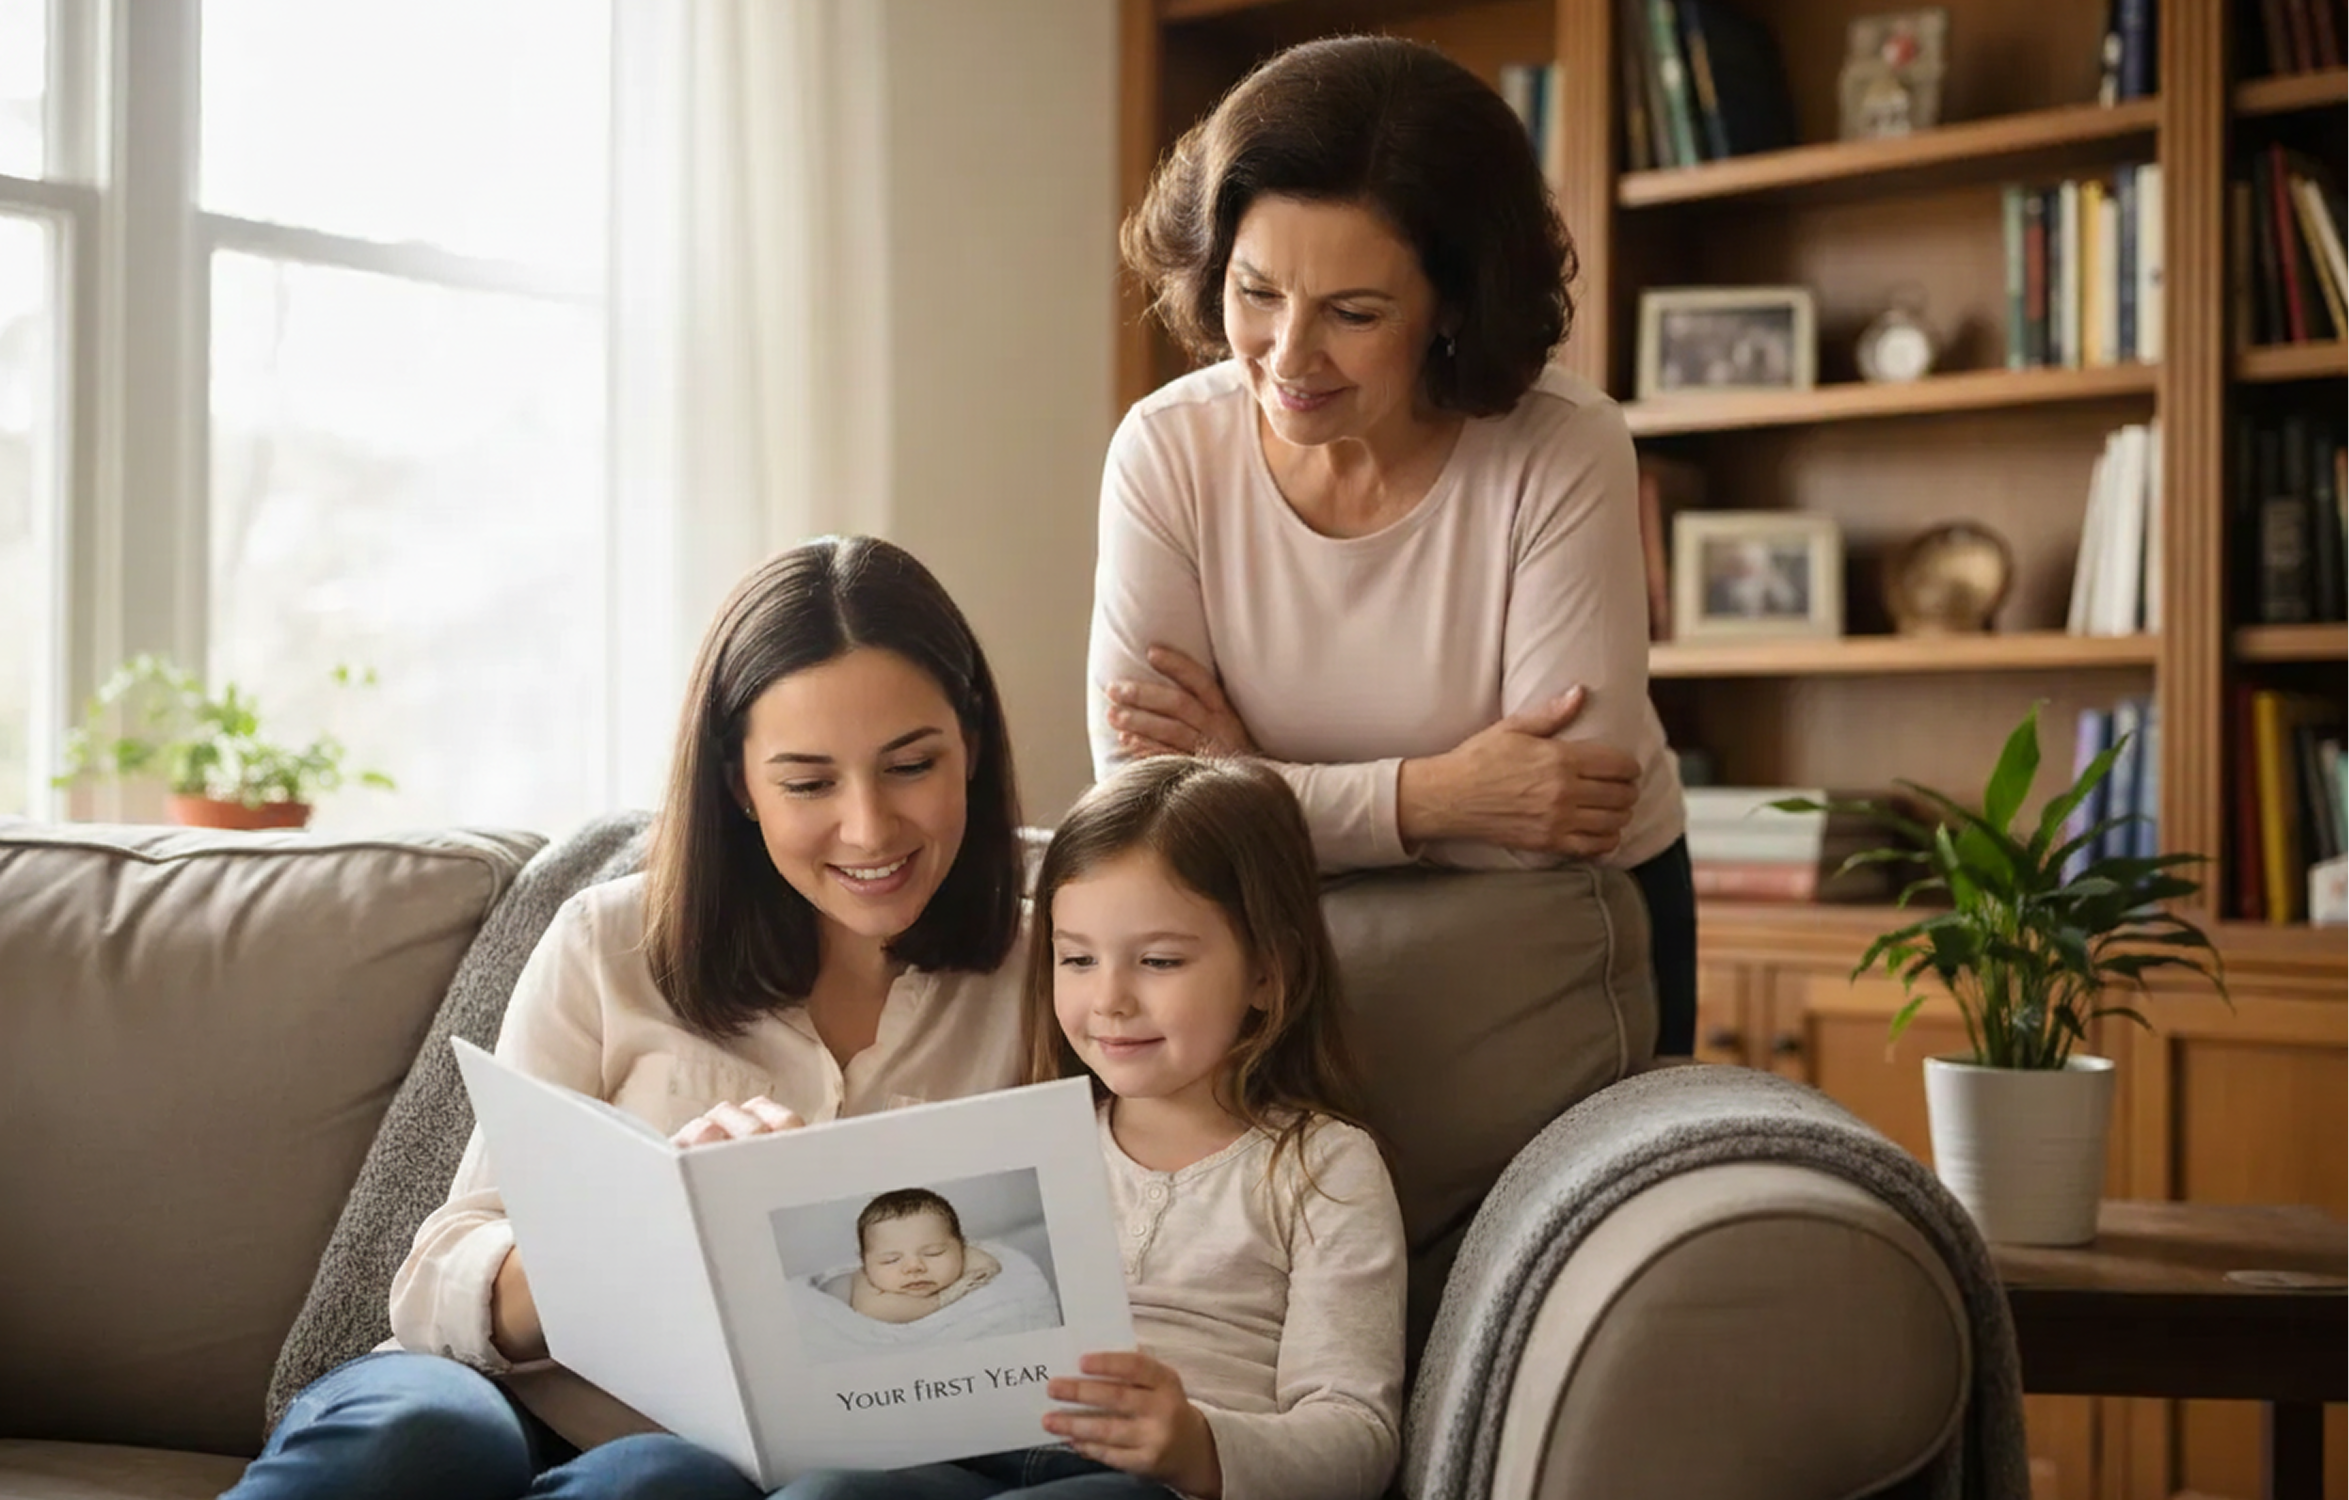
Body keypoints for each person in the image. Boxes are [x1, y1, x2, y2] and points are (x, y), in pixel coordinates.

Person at [224, 536, 1028, 1500]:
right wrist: (651, 1226)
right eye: (809, 783)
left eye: (910, 766)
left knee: (655, 1485)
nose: (868, 827)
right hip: (510, 1394)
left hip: (761, 1462)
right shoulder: (610, 943)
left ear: (970, 748)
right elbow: (438, 1279)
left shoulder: (1061, 972)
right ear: (739, 785)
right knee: (420, 1435)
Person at [1093, 35, 1696, 1054]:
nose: (1288, 356)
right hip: (1269, 943)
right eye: (1257, 292)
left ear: (1453, 305)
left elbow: (1560, 819)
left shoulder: (1562, 444)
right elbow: (1148, 810)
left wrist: (1249, 781)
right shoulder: (1166, 449)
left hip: (1560, 930)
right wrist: (1444, 796)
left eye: (1354, 313)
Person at [779, 756, 1406, 1500]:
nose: (1108, 1000)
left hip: (1152, 1485)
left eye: (1158, 960)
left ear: (1268, 973)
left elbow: (1356, 1438)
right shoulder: (1032, 1138)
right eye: (1076, 958)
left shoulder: (1321, 1166)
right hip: (979, 1451)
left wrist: (1195, 1446)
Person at [849, 1188, 1002, 1324]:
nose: (914, 1267)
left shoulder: (967, 1253)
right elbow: (872, 1310)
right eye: (891, 1260)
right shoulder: (863, 1280)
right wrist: (945, 1297)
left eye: (933, 1253)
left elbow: (986, 1265)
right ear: (864, 1263)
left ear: (962, 1246)